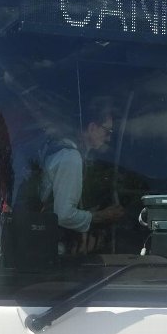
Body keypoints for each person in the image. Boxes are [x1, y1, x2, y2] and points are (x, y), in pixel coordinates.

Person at [39, 96, 126, 254]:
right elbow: (63, 215)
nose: (109, 137)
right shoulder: (71, 158)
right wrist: (102, 216)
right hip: (55, 249)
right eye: (107, 131)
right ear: (92, 127)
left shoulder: (58, 148)